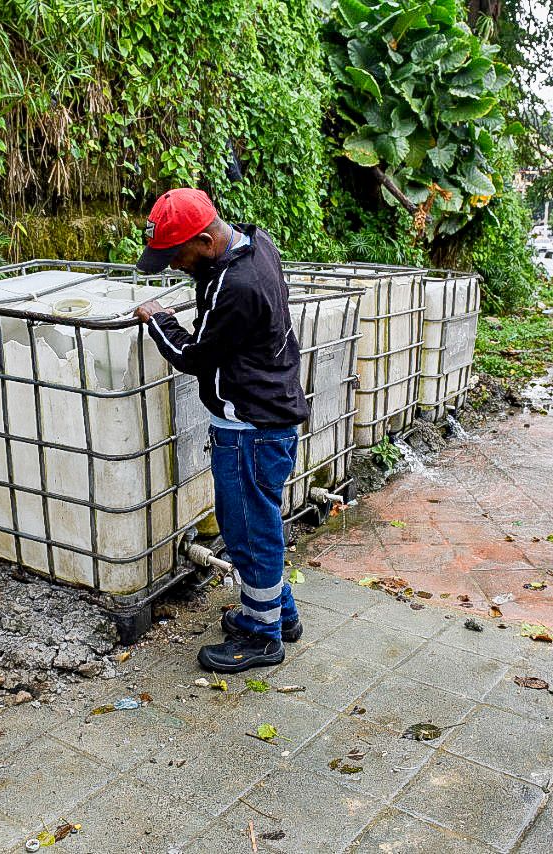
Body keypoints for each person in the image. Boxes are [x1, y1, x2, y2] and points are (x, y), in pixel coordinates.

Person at [133, 189, 309, 674]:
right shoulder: (256, 242)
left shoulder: (235, 285)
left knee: (249, 531)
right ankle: (279, 614)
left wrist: (159, 321)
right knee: (258, 523)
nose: (173, 267)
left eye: (177, 256)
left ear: (207, 242)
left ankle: (261, 635)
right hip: (268, 415)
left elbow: (194, 356)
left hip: (248, 428)